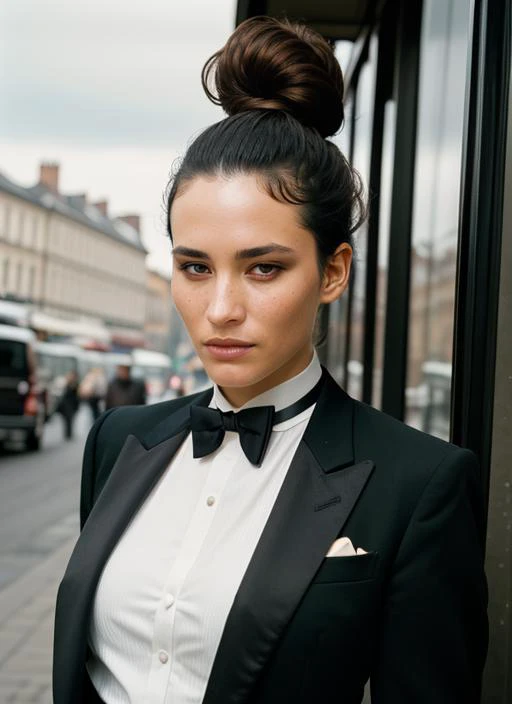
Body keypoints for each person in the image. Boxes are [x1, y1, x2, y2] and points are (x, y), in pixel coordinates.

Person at [53, 16, 487, 704]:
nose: (220, 308)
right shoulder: (118, 441)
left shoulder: (419, 485)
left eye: (263, 268)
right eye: (195, 266)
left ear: (333, 271)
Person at [56, 369, 80, 440]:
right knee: (67, 420)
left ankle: (69, 433)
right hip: (66, 405)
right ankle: (67, 434)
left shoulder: (75, 384)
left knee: (70, 420)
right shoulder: (67, 383)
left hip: (72, 405)